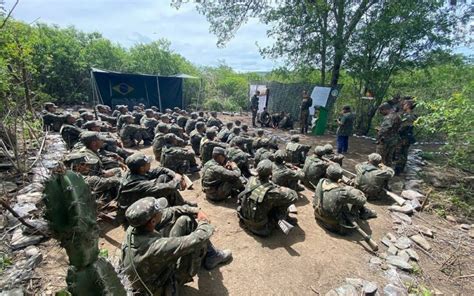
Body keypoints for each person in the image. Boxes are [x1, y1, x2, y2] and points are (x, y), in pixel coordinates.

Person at [121, 197, 232, 295]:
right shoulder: (156, 247)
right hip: (159, 287)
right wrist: (204, 222)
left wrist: (196, 210)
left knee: (184, 221)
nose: (162, 211)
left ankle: (211, 254)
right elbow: (198, 238)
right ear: (153, 221)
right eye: (158, 211)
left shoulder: (134, 228)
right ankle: (212, 257)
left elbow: (169, 212)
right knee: (193, 241)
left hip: (148, 275)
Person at [118, 153, 195, 224]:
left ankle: (181, 203)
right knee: (167, 188)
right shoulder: (137, 184)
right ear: (142, 168)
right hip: (135, 214)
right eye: (147, 163)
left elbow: (160, 169)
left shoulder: (136, 171)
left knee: (164, 177)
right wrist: (177, 179)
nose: (150, 163)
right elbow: (167, 188)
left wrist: (174, 175)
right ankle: (180, 212)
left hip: (139, 199)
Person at [237, 159, 298, 236]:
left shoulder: (251, 180)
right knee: (281, 201)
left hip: (244, 218)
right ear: (271, 173)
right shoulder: (272, 191)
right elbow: (294, 196)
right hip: (261, 228)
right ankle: (280, 218)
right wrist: (282, 188)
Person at [313, 164, 377, 235]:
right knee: (356, 197)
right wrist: (361, 194)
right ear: (340, 177)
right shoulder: (342, 193)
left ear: (327, 174)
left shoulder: (321, 181)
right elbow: (362, 201)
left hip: (318, 216)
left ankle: (364, 211)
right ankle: (365, 212)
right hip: (334, 226)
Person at [394, 100, 417, 175]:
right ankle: (400, 169)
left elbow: (403, 126)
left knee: (400, 153)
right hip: (405, 137)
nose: (403, 106)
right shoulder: (409, 115)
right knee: (403, 153)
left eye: (404, 104)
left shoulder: (409, 116)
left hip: (404, 137)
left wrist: (396, 130)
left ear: (408, 105)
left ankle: (398, 170)